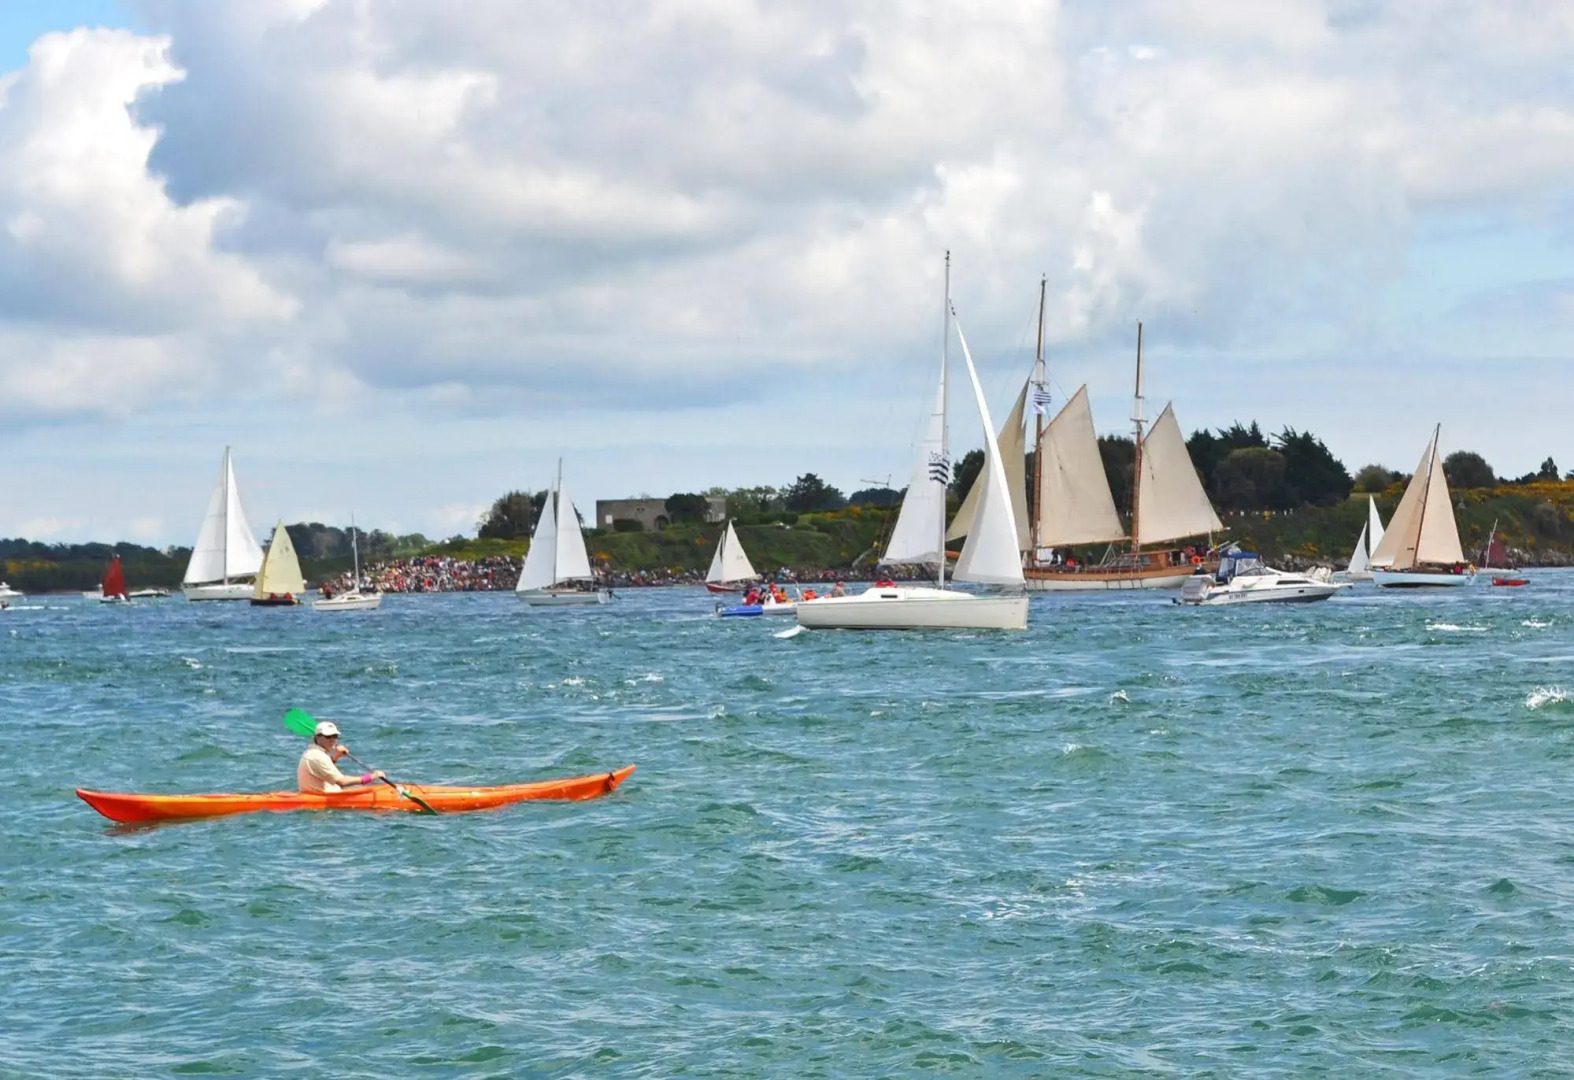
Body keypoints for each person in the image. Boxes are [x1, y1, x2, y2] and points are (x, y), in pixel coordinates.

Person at [297, 721, 385, 793]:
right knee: (367, 785)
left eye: (335, 736)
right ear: (318, 738)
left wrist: (336, 757)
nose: (332, 740)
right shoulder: (317, 756)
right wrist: (371, 777)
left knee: (364, 786)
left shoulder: (314, 752)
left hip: (321, 792)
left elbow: (322, 770)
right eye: (328, 736)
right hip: (324, 796)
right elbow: (342, 782)